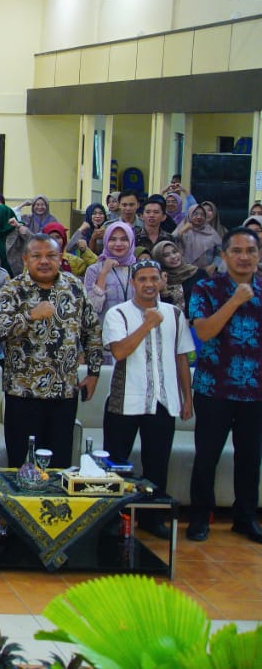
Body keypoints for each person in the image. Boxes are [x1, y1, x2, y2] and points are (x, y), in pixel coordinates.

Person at [0, 234, 104, 469]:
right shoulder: (13, 289)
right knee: (23, 465)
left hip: (64, 393)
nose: (44, 261)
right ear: (25, 259)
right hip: (23, 394)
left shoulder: (74, 286)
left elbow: (92, 330)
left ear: (60, 257)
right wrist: (30, 316)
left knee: (59, 465)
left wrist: (94, 373)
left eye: (51, 255)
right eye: (37, 256)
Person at [102, 258, 194, 539]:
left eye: (154, 278)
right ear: (133, 283)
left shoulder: (175, 314)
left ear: (162, 280)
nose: (149, 284)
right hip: (125, 400)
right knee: (116, 464)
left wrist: (187, 398)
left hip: (163, 401)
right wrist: (147, 324)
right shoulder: (118, 313)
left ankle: (153, 519)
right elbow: (119, 352)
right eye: (142, 279)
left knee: (157, 464)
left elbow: (182, 357)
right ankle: (112, 518)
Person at [187, 227, 262, 543]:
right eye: (237, 251)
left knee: (250, 458)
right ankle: (199, 517)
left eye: (251, 251)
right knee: (207, 456)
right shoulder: (206, 288)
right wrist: (235, 300)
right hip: (213, 389)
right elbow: (204, 332)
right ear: (224, 255)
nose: (244, 257)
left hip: (255, 391)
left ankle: (245, 518)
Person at [84, 221, 136, 325]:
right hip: (105, 330)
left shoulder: (139, 269)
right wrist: (103, 274)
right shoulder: (94, 270)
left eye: (124, 239)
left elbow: (152, 304)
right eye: (112, 239)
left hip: (136, 330)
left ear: (131, 241)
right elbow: (93, 308)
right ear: (105, 241)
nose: (118, 244)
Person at [151, 240, 205, 314]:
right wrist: (163, 289)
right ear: (159, 259)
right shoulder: (159, 280)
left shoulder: (198, 273)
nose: (173, 256)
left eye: (175, 252)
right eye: (166, 255)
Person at [0, 203, 30, 277]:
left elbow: (32, 241)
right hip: (1, 278)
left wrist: (19, 226)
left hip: (19, 276)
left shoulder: (17, 229)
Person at [174, 203, 222, 270]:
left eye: (202, 214)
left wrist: (214, 266)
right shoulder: (182, 229)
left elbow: (220, 252)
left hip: (206, 271)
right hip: (184, 270)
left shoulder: (211, 232)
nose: (199, 217)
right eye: (195, 214)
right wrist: (181, 232)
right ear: (189, 215)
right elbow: (170, 243)